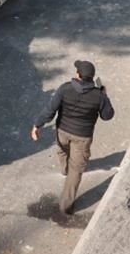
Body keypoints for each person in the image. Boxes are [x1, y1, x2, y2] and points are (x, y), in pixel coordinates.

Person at [31, 60, 115, 216]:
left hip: (62, 131)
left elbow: (50, 110)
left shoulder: (65, 88)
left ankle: (64, 170)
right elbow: (107, 115)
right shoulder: (98, 96)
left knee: (62, 151)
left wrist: (37, 125)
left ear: (78, 75)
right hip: (82, 137)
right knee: (76, 170)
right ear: (91, 78)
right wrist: (104, 96)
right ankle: (66, 205)